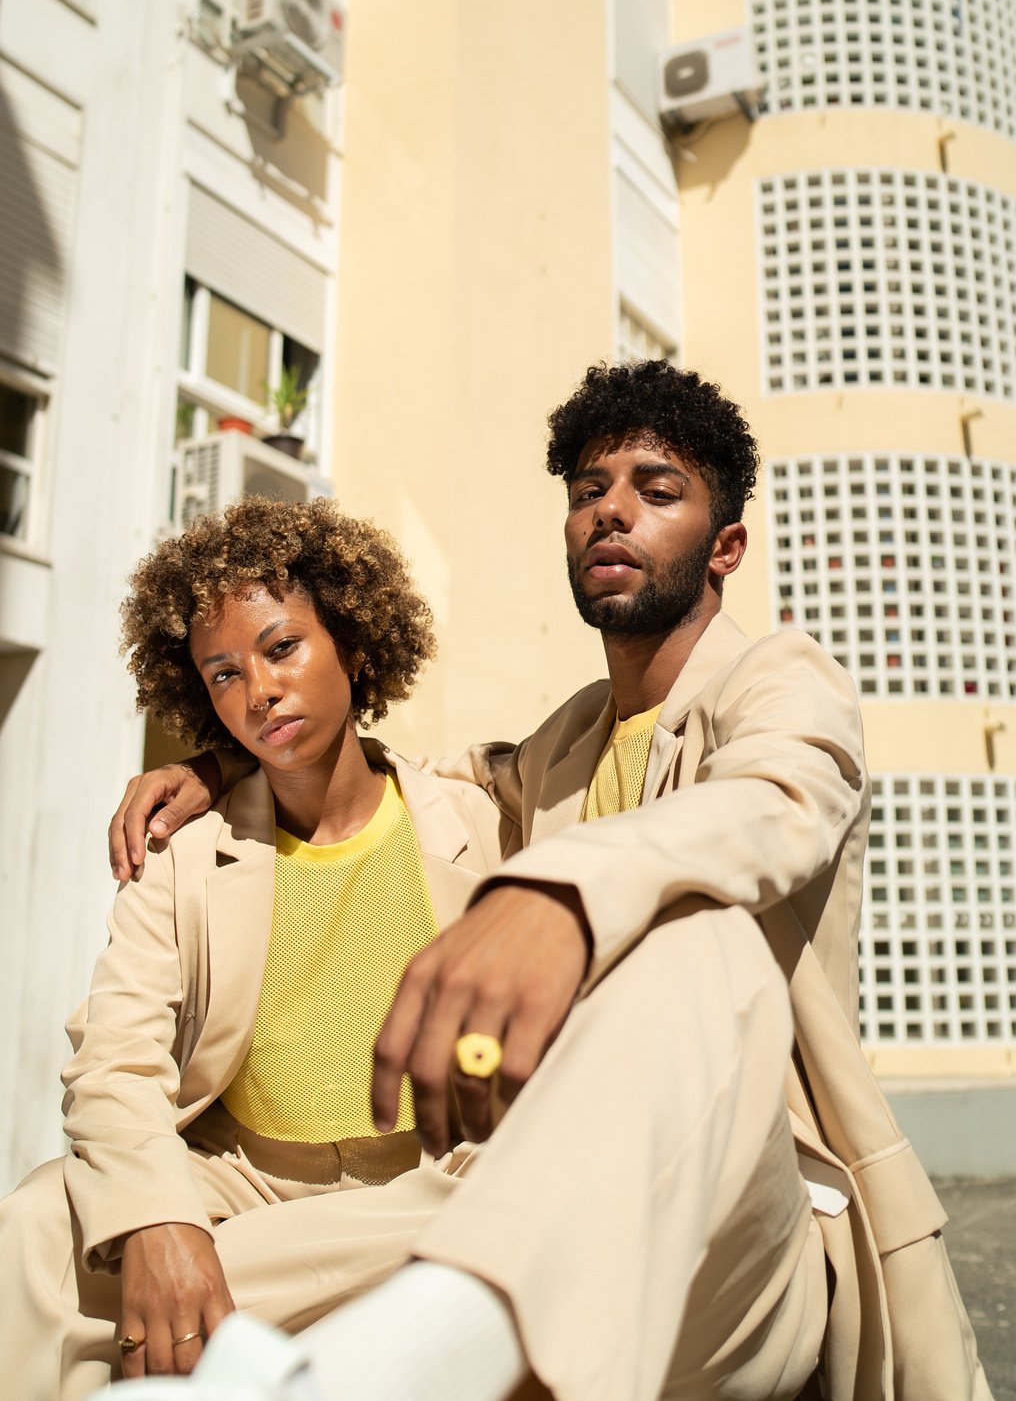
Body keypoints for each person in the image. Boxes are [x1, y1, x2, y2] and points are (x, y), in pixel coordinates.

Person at [105, 363, 992, 1401]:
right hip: (545, 1190)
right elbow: (399, 775)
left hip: (740, 1219)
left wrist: (557, 895)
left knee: (695, 936)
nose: (610, 509)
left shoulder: (781, 685)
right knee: (61, 1236)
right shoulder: (563, 745)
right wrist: (221, 762)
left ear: (725, 547)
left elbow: (775, 804)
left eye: (655, 491)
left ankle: (414, 1359)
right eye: (586, 491)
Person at [0, 496, 521, 1401]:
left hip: (433, 1178)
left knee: (494, 1207)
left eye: (282, 649)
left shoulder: (476, 821)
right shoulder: (181, 854)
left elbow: (528, 758)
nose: (260, 691)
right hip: (247, 1185)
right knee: (40, 1219)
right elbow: (114, 1060)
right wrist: (162, 1217)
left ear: (354, 647)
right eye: (223, 674)